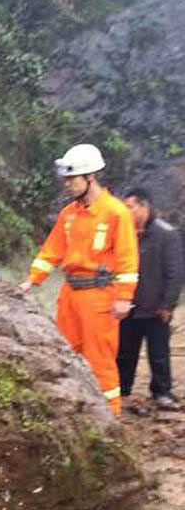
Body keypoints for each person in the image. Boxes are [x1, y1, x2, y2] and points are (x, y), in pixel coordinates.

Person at [20, 143, 138, 416]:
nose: (67, 185)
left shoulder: (115, 213)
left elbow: (127, 260)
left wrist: (123, 298)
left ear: (90, 177)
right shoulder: (69, 214)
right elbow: (51, 251)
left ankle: (110, 419)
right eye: (67, 179)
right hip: (70, 296)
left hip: (100, 298)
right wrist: (32, 280)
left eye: (72, 179)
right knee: (64, 356)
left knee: (100, 360)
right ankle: (74, 414)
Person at [117, 187, 183, 410]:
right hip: (129, 305)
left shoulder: (167, 234)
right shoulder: (124, 234)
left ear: (144, 206)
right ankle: (121, 390)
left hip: (156, 308)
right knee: (125, 353)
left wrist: (168, 304)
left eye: (130, 207)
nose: (126, 212)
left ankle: (162, 392)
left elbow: (175, 273)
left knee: (159, 353)